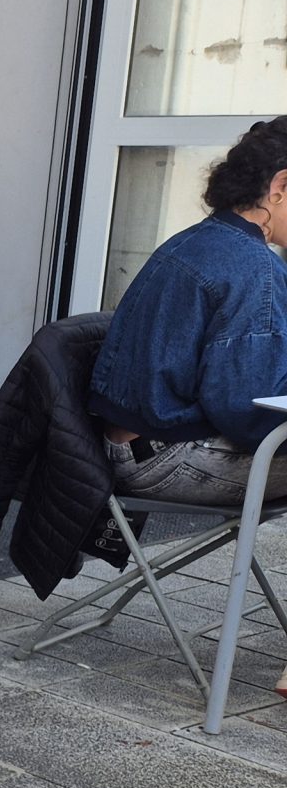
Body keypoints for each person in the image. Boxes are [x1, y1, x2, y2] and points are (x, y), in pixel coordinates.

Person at [89, 115, 287, 506]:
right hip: (171, 456)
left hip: (127, 446)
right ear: (280, 187)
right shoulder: (256, 268)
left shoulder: (196, 239)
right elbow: (249, 413)